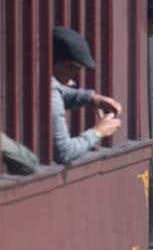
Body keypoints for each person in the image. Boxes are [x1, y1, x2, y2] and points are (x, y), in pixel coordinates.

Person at [51, 26, 122, 164]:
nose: (74, 79)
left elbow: (59, 92)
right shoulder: (52, 96)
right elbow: (64, 151)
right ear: (66, 65)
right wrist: (97, 132)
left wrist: (90, 97)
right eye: (77, 70)